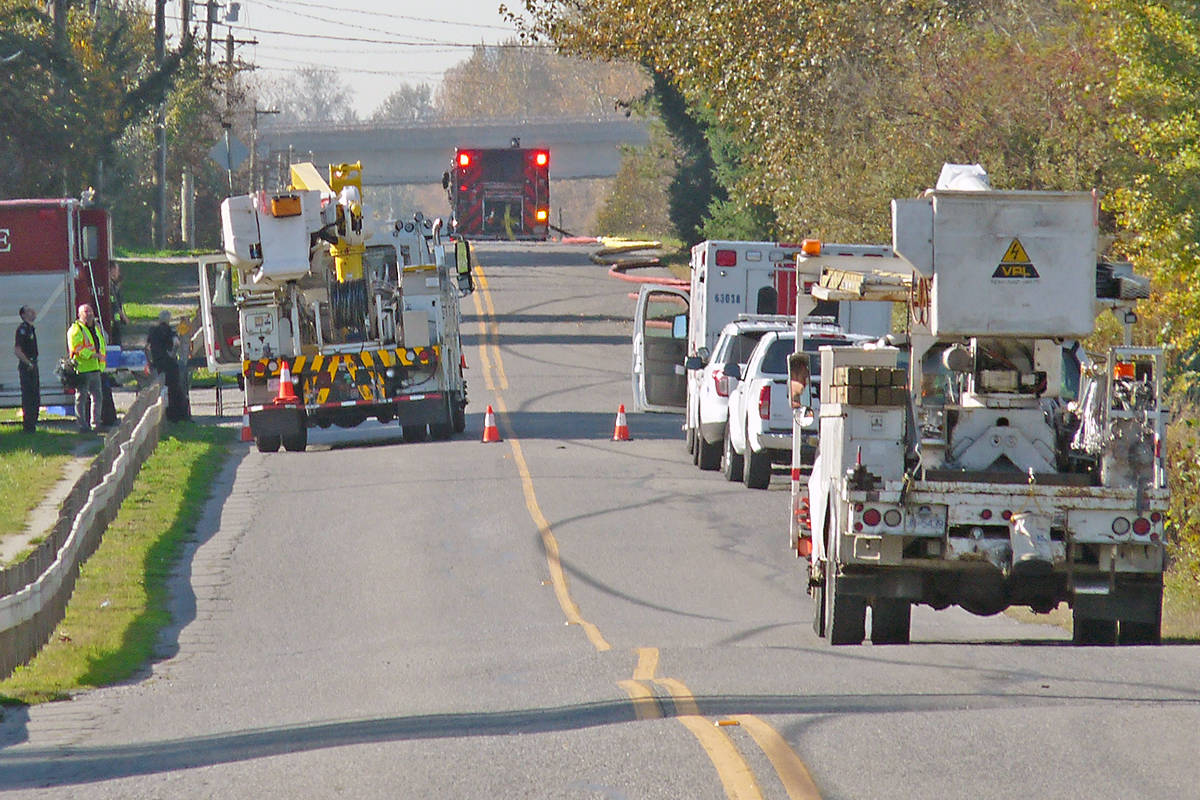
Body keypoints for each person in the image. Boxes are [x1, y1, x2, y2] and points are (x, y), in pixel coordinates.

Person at [67, 303, 105, 433]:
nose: (89, 314)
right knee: (81, 398)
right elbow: (76, 348)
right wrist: (92, 355)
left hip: (95, 368)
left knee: (97, 397)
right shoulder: (76, 329)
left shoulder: (95, 328)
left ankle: (96, 424)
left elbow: (100, 345)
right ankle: (82, 425)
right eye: (85, 312)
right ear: (79, 315)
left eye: (90, 311)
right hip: (82, 369)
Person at [147, 310, 188, 422]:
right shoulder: (170, 332)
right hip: (170, 366)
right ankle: (177, 416)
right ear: (168, 320)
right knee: (174, 390)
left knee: (160, 390)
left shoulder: (153, 331)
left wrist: (150, 361)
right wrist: (172, 354)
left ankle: (164, 415)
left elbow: (147, 347)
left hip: (157, 365)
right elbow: (176, 344)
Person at [13, 305, 39, 433]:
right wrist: (28, 363)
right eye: (29, 311)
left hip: (33, 365)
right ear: (23, 315)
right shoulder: (22, 330)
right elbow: (17, 350)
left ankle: (33, 425)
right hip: (27, 366)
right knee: (29, 397)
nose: (33, 312)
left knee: (35, 396)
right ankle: (28, 427)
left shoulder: (31, 329)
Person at [108, 264, 130, 347]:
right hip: (114, 321)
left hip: (115, 321)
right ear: (112, 270)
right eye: (117, 270)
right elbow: (115, 304)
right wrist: (124, 318)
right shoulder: (110, 286)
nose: (118, 273)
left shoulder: (112, 285)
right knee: (116, 344)